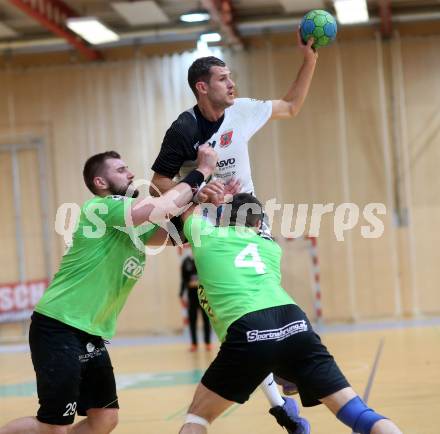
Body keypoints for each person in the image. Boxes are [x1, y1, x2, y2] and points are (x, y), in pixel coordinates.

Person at [150, 29, 318, 432]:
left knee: (266, 302)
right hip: (206, 224)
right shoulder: (184, 130)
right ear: (202, 87)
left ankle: (282, 383)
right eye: (224, 78)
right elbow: (158, 185)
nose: (233, 83)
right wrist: (198, 186)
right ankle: (279, 402)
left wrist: (310, 59)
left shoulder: (242, 110)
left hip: (248, 216)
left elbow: (292, 107)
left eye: (231, 77)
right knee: (236, 322)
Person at [0, 145, 218, 434]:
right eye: (120, 169)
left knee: (105, 419)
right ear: (100, 182)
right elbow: (162, 207)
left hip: (90, 331)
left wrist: (202, 201)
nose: (130, 173)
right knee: (53, 426)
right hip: (59, 325)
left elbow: (176, 234)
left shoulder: (133, 225)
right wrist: (200, 171)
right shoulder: (101, 207)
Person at [178, 193, 403, 434]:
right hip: (295, 322)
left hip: (248, 329)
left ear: (223, 218)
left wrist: (205, 193)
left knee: (198, 417)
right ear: (257, 223)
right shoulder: (270, 247)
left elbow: (185, 207)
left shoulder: (208, 237)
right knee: (358, 413)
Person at [180, 252, 212, 352]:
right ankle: (194, 344)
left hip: (204, 296)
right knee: (192, 320)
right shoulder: (186, 261)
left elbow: (209, 276)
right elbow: (184, 280)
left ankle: (208, 343)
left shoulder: (204, 259)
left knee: (206, 320)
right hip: (192, 296)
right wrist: (181, 295)